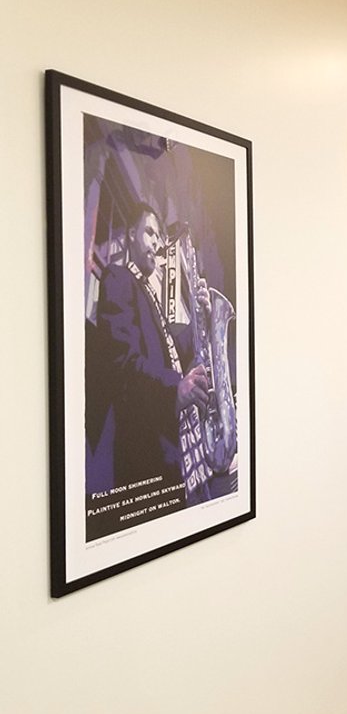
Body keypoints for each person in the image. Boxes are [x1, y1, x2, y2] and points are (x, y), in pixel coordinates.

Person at [95, 202, 213, 507]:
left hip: (168, 450)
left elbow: (176, 350)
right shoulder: (117, 278)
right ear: (131, 235)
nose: (157, 243)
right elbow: (125, 360)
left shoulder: (148, 294)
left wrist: (203, 314)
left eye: (159, 236)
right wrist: (177, 387)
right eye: (150, 233)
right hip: (144, 453)